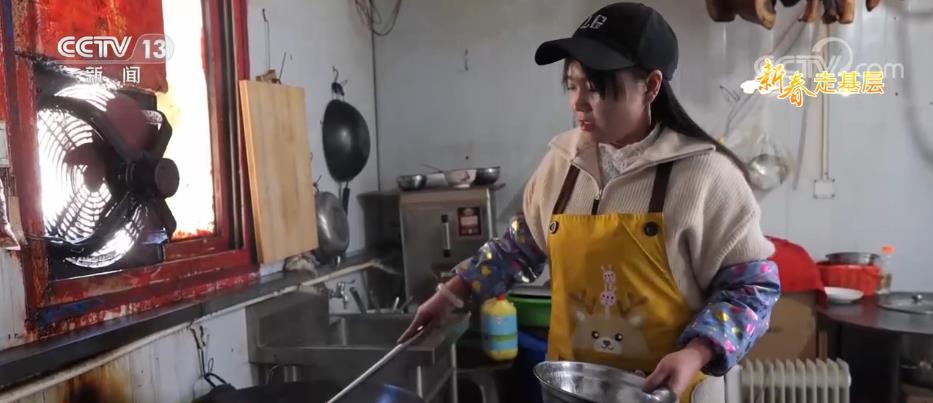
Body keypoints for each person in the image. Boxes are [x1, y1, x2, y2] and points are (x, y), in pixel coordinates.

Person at [399, 3, 780, 401]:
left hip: (669, 394)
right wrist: (451, 293)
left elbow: (752, 289)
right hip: (571, 392)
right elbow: (518, 247)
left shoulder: (705, 177)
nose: (578, 102)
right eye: (572, 85)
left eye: (595, 88)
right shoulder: (561, 164)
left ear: (650, 86)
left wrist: (695, 353)